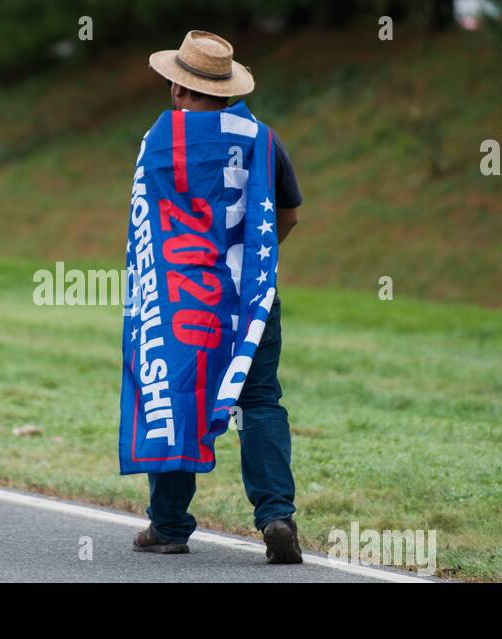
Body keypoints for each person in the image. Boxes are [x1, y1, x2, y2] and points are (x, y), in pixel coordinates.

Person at [133, 30, 304, 564]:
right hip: (250, 295)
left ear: (181, 90)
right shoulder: (263, 138)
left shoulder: (157, 142)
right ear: (228, 89)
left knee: (177, 393)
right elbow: (289, 214)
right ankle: (276, 515)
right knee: (259, 400)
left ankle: (169, 527)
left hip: (182, 297)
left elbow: (151, 226)